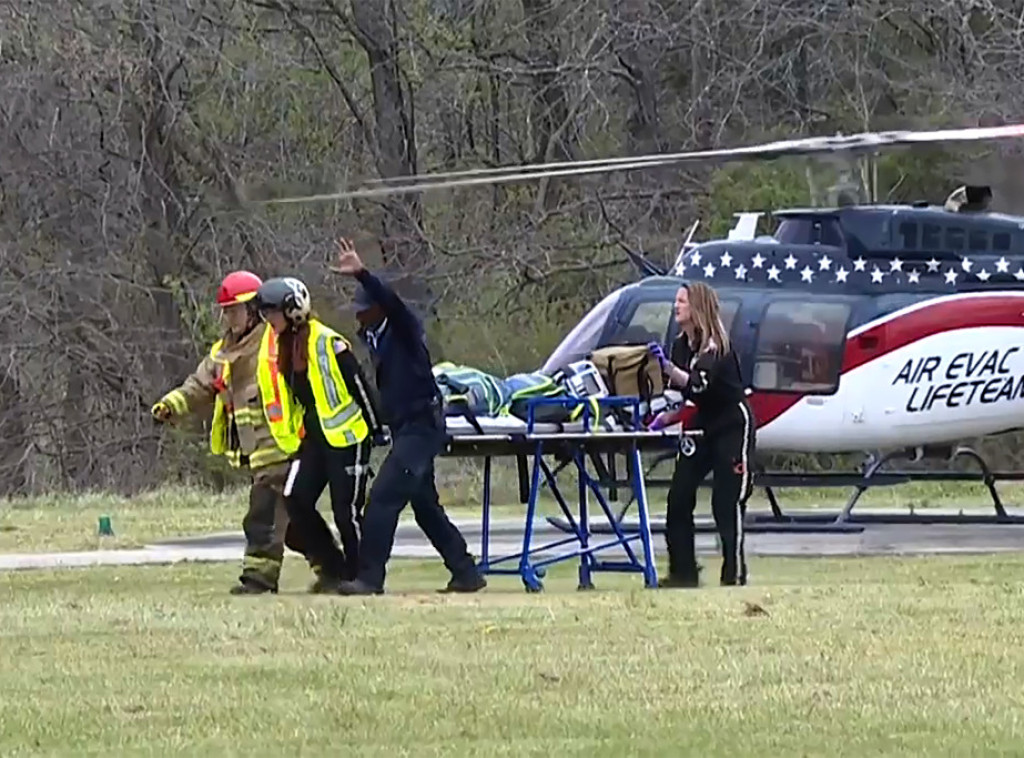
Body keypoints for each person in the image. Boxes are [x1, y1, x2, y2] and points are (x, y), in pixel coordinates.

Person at [329, 237, 486, 596]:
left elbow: (392, 302)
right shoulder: (375, 338)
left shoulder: (404, 329)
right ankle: (466, 572)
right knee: (426, 507)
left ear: (378, 309)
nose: (358, 314)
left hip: (421, 428)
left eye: (363, 308)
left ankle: (370, 579)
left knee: (382, 499)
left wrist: (362, 274)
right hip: (405, 430)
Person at [151, 271, 302, 595]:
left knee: (262, 515)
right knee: (296, 523)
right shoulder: (223, 351)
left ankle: (258, 580)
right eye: (226, 311)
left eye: (234, 310)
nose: (229, 317)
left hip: (280, 447)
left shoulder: (273, 341)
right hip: (254, 451)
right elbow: (198, 385)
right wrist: (170, 405)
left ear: (254, 309)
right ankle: (333, 567)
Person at [254, 275, 386, 593]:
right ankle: (332, 566)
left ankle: (363, 577)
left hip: (347, 437)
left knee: (346, 510)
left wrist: (377, 428)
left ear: (292, 310)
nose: (268, 320)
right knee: (295, 500)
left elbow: (360, 388)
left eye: (272, 313)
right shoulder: (286, 348)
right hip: (313, 438)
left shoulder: (329, 343)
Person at [647, 281, 755, 587]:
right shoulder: (682, 345)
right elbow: (681, 395)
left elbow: (696, 385)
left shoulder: (716, 347)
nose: (675, 306)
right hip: (699, 423)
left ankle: (733, 572)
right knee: (679, 496)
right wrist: (662, 416)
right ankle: (683, 572)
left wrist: (667, 368)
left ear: (697, 308)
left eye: (681, 301)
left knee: (726, 500)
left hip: (731, 424)